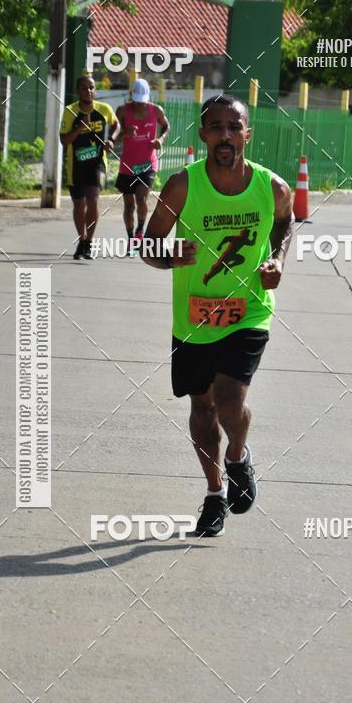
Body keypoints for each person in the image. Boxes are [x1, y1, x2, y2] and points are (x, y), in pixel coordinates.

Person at [140, 94, 293, 538]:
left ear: (247, 133)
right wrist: (171, 257)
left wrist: (277, 259)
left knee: (229, 398)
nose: (225, 135)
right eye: (216, 127)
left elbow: (285, 223)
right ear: (203, 134)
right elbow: (148, 245)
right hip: (194, 318)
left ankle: (237, 458)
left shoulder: (273, 187)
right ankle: (214, 494)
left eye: (234, 126)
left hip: (249, 312)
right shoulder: (182, 186)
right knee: (203, 408)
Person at [60, 75, 120, 260]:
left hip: (97, 163)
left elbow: (116, 124)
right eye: (84, 88)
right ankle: (82, 240)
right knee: (79, 204)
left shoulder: (104, 109)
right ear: (78, 90)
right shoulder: (70, 112)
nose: (88, 91)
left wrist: (112, 139)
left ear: (95, 90)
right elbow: (64, 140)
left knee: (93, 199)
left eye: (91, 88)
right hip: (76, 165)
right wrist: (79, 128)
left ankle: (90, 242)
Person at [115, 78, 169, 253]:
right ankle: (131, 238)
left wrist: (160, 139)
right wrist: (125, 133)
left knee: (142, 197)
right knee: (129, 205)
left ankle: (140, 229)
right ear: (132, 97)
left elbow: (166, 126)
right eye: (137, 102)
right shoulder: (123, 111)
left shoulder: (156, 110)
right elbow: (114, 137)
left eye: (143, 102)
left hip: (148, 163)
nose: (140, 106)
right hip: (128, 165)